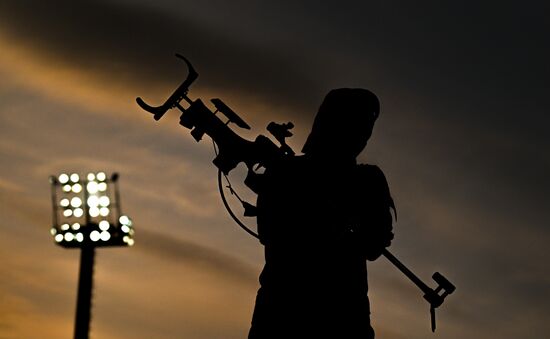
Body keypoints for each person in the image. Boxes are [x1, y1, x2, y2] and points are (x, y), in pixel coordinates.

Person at [248, 88, 396, 338]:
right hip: (281, 314)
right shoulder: (286, 172)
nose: (363, 134)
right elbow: (271, 233)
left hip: (344, 317)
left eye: (367, 126)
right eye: (356, 123)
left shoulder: (368, 180)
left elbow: (375, 243)